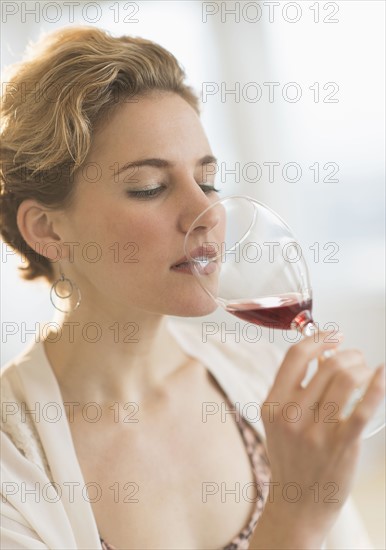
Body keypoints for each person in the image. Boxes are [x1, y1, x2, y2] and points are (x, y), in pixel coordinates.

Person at [0, 26, 384, 550]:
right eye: (149, 188)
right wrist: (293, 518)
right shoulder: (13, 465)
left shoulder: (257, 374)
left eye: (207, 181)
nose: (206, 213)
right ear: (47, 229)